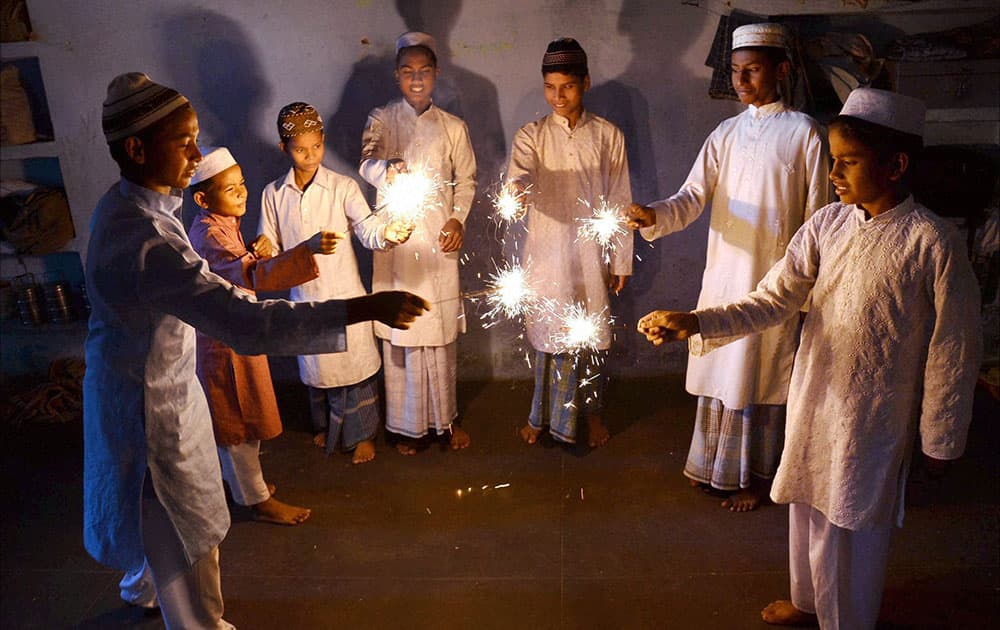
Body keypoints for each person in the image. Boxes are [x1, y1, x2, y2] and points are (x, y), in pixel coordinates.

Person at [84, 72, 428, 629]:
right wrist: (362, 307)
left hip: (141, 393)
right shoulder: (149, 238)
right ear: (137, 148)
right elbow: (245, 317)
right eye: (184, 142)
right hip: (153, 411)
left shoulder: (122, 207)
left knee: (152, 516)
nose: (196, 154)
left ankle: (144, 588)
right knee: (186, 535)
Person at [637, 87, 981, 629]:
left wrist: (939, 438)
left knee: (851, 524)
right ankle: (807, 601)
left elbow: (953, 351)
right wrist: (699, 321)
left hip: (873, 419)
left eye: (848, 162)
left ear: (895, 165)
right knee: (805, 507)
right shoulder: (826, 226)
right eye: (834, 160)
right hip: (815, 395)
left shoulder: (931, 243)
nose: (834, 174)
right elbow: (773, 298)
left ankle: (846, 620)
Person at [627, 23, 829, 511]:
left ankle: (752, 478)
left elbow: (820, 216)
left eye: (752, 71)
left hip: (775, 277)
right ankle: (713, 466)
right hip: (725, 272)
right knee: (722, 366)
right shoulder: (726, 133)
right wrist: (655, 214)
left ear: (781, 71)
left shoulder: (803, 132)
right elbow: (693, 196)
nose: (742, 82)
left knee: (760, 371)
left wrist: (810, 285)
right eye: (736, 72)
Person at [188, 146, 338, 526]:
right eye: (231, 189)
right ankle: (255, 501)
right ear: (203, 199)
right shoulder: (207, 232)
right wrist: (306, 249)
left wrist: (255, 249)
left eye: (242, 185)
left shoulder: (221, 224)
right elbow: (250, 275)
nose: (242, 193)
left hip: (237, 332)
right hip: (222, 344)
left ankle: (245, 487)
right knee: (235, 421)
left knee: (244, 416)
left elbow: (238, 266)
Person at [260, 103, 413, 464]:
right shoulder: (274, 194)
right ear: (284, 148)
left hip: (345, 294)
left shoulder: (342, 187)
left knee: (354, 369)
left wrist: (387, 232)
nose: (310, 156)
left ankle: (363, 435)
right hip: (306, 298)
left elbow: (367, 229)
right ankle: (328, 427)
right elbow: (270, 247)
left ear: (323, 141)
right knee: (319, 371)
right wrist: (265, 246)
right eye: (300, 149)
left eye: (316, 147)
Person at [504, 37, 633, 449]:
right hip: (547, 253)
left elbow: (620, 199)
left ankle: (592, 416)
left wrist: (621, 259)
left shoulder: (608, 136)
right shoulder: (532, 135)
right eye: (550, 87)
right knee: (549, 335)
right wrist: (519, 189)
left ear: (586, 83)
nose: (558, 96)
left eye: (568, 87)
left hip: (591, 254)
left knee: (591, 336)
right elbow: (517, 177)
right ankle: (541, 417)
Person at [359, 31, 476, 455]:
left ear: (436, 74)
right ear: (397, 75)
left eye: (424, 71)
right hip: (398, 242)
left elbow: (466, 181)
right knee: (403, 332)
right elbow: (367, 161)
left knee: (439, 333)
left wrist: (457, 218)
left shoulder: (453, 128)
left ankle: (445, 421)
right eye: (408, 71)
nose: (416, 79)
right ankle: (405, 429)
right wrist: (386, 167)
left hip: (439, 243)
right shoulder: (381, 118)